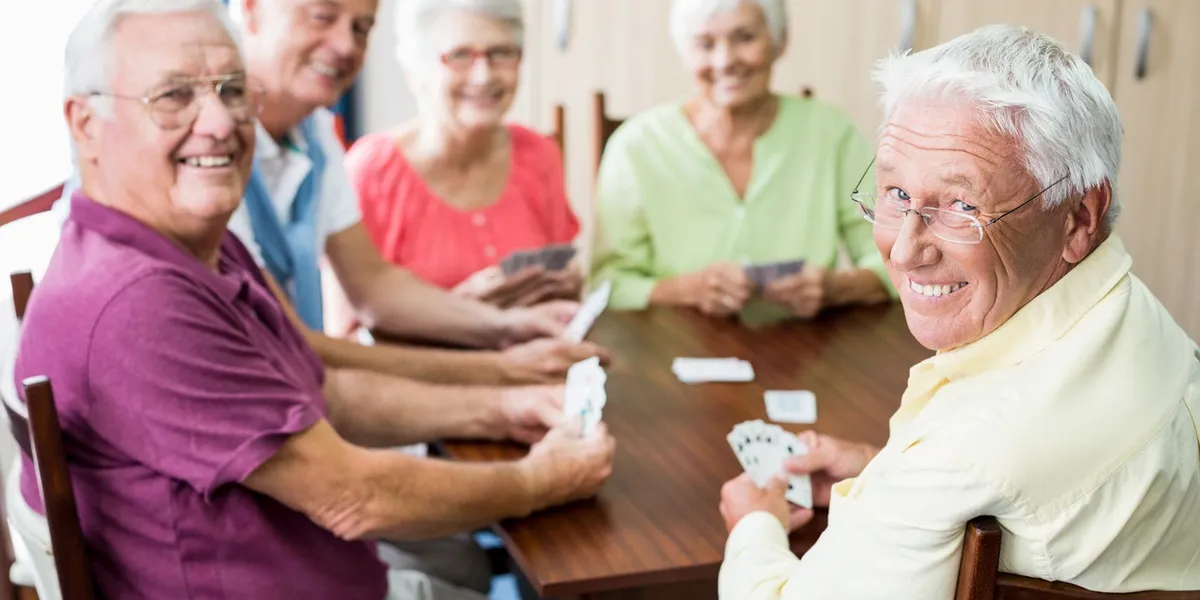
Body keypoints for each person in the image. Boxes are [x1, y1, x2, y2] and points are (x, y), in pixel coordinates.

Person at [14, 2, 615, 598]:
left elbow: (320, 389)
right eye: (173, 96)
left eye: (231, 90)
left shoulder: (188, 241)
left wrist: (501, 406)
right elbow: (354, 496)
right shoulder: (138, 299)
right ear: (85, 123)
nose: (220, 123)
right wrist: (541, 480)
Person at [717, 24, 1200, 598]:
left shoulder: (968, 455)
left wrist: (754, 524)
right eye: (896, 195)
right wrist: (881, 472)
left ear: (1078, 218)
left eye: (961, 205)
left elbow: (984, 459)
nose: (903, 250)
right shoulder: (1135, 313)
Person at [52, 0, 609, 387]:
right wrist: (507, 372)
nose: (344, 44)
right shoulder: (207, 155)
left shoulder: (316, 132)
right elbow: (298, 345)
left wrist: (509, 328)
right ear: (251, 14)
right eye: (321, 16)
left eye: (362, 27)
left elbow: (374, 285)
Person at [590, 0, 893, 318]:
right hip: (673, 350)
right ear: (685, 53)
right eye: (705, 44)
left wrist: (835, 288)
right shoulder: (635, 146)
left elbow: (895, 260)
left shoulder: (832, 133)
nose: (725, 61)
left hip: (804, 351)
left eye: (745, 37)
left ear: (780, 41)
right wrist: (686, 290)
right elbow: (607, 286)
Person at [345, 0, 583, 309]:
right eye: (459, 55)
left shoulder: (539, 154)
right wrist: (455, 313)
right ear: (415, 69)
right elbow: (346, 339)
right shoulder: (371, 172)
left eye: (501, 53)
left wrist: (571, 284)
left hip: (540, 354)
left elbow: (564, 294)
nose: (483, 75)